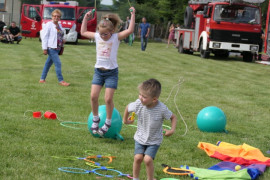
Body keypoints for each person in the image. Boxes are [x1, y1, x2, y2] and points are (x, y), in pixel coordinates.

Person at [80, 7, 135, 136]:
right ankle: (95, 119)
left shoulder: (116, 38)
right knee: (93, 96)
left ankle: (108, 122)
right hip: (98, 71)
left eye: (105, 34)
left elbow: (130, 30)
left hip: (111, 73)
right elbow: (83, 32)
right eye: (101, 34)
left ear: (112, 31)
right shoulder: (98, 36)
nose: (103, 36)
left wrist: (132, 15)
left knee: (108, 99)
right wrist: (86, 18)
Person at [123, 79, 177, 180]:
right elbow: (128, 107)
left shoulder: (161, 109)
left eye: (144, 97)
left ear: (154, 99)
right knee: (138, 158)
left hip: (154, 140)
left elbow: (173, 117)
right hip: (140, 137)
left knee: (147, 160)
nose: (140, 98)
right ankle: (135, 178)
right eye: (140, 94)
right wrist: (125, 120)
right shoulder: (138, 103)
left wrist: (172, 130)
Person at [40, 9, 70, 86]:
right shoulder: (48, 25)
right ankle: (61, 81)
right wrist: (44, 48)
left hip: (58, 48)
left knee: (47, 64)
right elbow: (45, 37)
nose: (56, 17)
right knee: (58, 63)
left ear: (60, 17)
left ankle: (42, 79)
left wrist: (63, 39)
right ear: (52, 16)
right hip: (51, 48)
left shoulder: (59, 25)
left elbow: (61, 34)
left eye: (58, 16)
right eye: (54, 16)